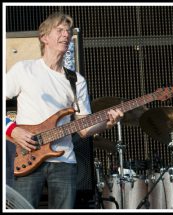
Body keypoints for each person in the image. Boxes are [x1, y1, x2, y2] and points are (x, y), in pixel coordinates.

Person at [5, 12, 123, 209]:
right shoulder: (23, 69)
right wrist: (12, 130)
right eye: (59, 30)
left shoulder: (76, 80)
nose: (66, 35)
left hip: (64, 159)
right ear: (44, 37)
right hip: (26, 154)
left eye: (68, 31)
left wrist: (107, 123)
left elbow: (84, 128)